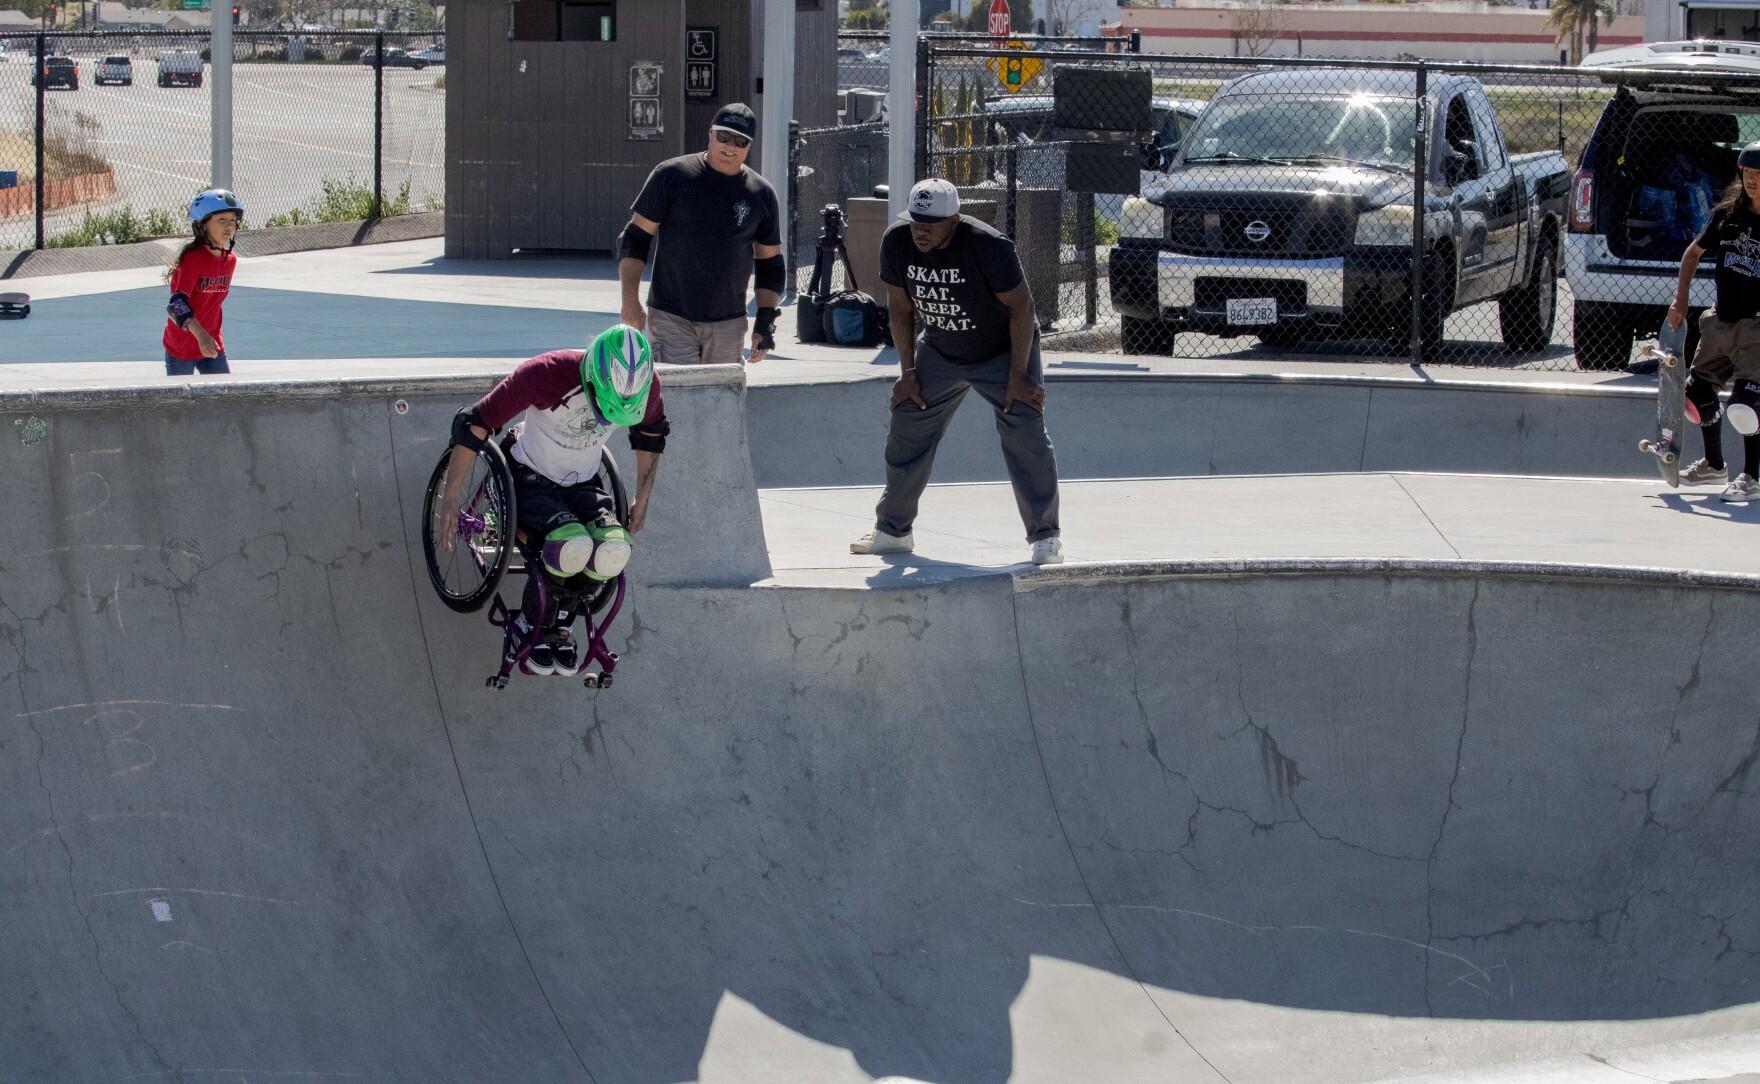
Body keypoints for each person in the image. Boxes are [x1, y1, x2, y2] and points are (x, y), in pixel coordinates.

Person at [851, 178, 1064, 565]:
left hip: (1002, 351)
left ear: (954, 219)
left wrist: (1019, 374)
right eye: (915, 221)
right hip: (940, 349)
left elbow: (1023, 307)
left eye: (930, 224)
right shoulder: (897, 241)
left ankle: (1045, 536)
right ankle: (893, 531)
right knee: (907, 417)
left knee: (1025, 427)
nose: (921, 231)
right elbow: (900, 308)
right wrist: (908, 372)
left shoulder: (988, 246)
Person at [439, 324, 669, 676]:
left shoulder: (647, 386)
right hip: (528, 476)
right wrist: (451, 494)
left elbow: (650, 435)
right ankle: (535, 624)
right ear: (593, 377)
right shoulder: (546, 373)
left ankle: (562, 619)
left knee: (614, 549)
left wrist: (643, 498)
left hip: (582, 481)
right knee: (569, 541)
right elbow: (474, 423)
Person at [617, 102, 785, 366]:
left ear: (748, 147)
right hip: (672, 317)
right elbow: (635, 239)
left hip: (728, 323)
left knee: (720, 403)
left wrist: (765, 324)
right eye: (724, 136)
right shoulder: (671, 176)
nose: (730, 147)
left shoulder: (761, 194)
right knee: (677, 401)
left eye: (740, 141)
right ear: (710, 134)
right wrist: (630, 301)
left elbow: (771, 265)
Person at [1670, 140, 1760, 502]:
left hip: (1755, 327)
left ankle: (1751, 478)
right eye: (1748, 174)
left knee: (1745, 409)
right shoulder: (1728, 214)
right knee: (1696, 396)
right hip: (1720, 320)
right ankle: (1714, 464)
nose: (1753, 180)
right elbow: (1693, 253)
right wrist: (1680, 300)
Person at [163, 188, 241, 376]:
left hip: (212, 344)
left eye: (232, 221)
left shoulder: (230, 261)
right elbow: (176, 304)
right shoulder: (193, 259)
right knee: (182, 404)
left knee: (223, 401)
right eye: (221, 220)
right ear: (202, 224)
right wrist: (201, 336)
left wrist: (208, 338)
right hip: (181, 347)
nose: (229, 227)